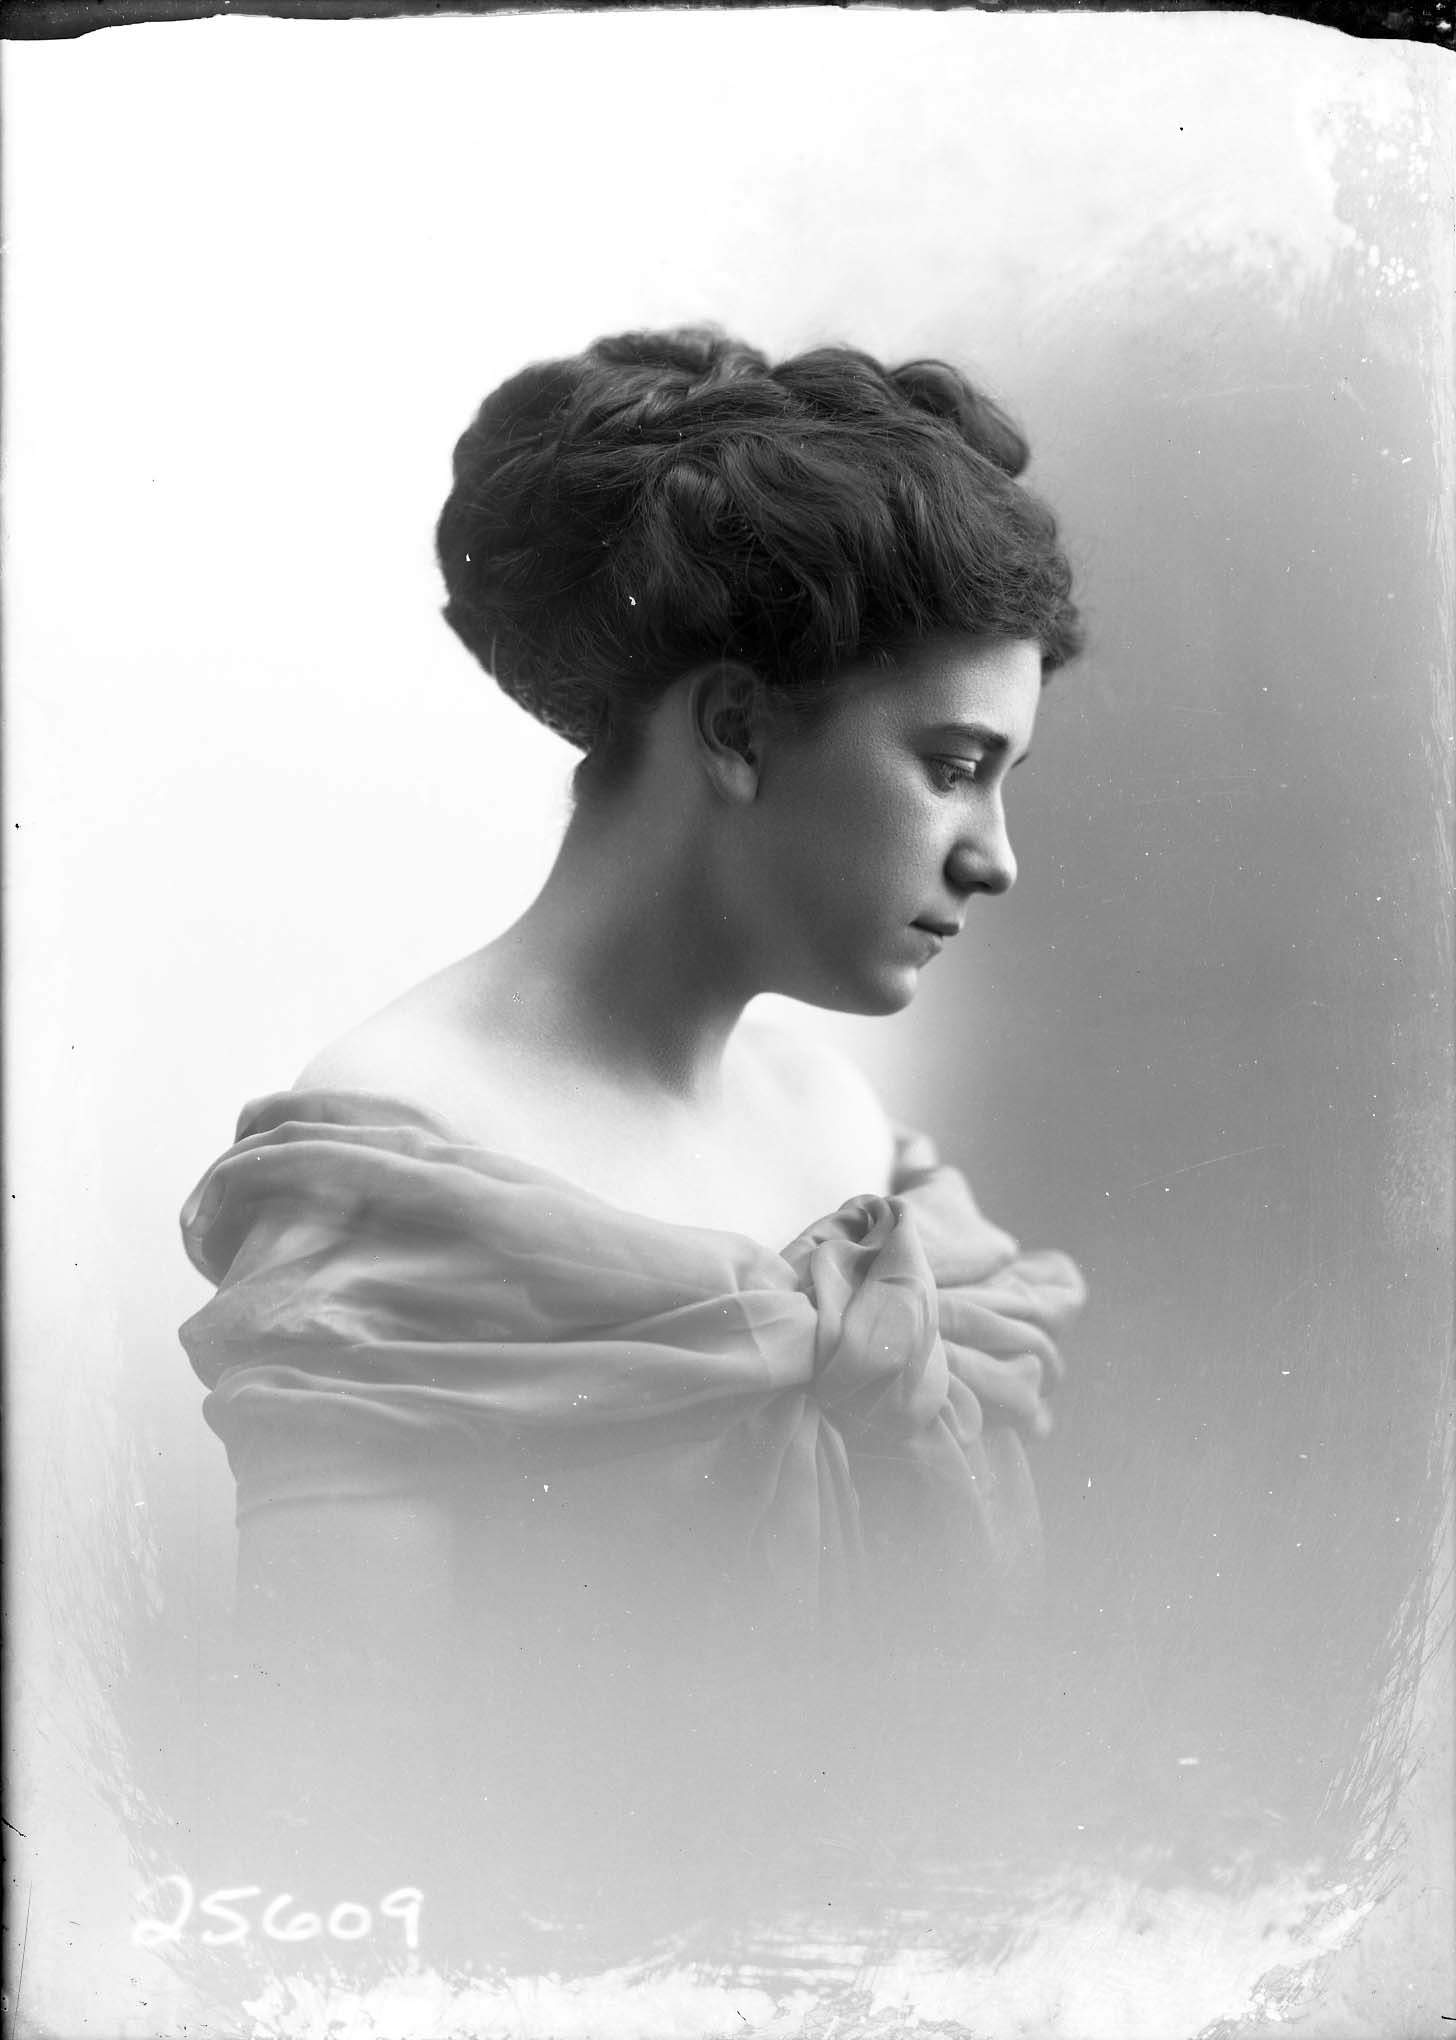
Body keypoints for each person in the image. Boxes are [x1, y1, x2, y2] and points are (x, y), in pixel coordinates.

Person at [177, 328, 1087, 1966]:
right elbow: (323, 1821)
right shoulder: (408, 1150)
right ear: (736, 726)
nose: (995, 857)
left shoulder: (835, 1125)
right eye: (955, 767)